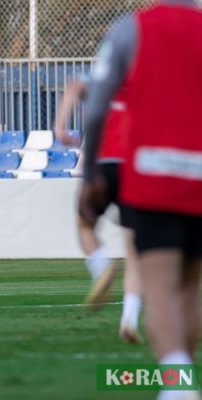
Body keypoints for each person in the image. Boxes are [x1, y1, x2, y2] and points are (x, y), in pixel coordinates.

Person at [81, 2, 202, 399]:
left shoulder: (130, 29)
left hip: (152, 175)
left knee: (161, 287)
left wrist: (90, 173)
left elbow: (96, 105)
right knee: (189, 288)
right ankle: (182, 377)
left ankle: (178, 383)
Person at [55, 79, 142, 343]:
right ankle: (129, 319)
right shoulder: (146, 86)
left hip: (101, 165)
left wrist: (60, 129)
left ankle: (102, 265)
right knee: (134, 249)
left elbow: (72, 87)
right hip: (134, 168)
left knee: (85, 226)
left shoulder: (101, 83)